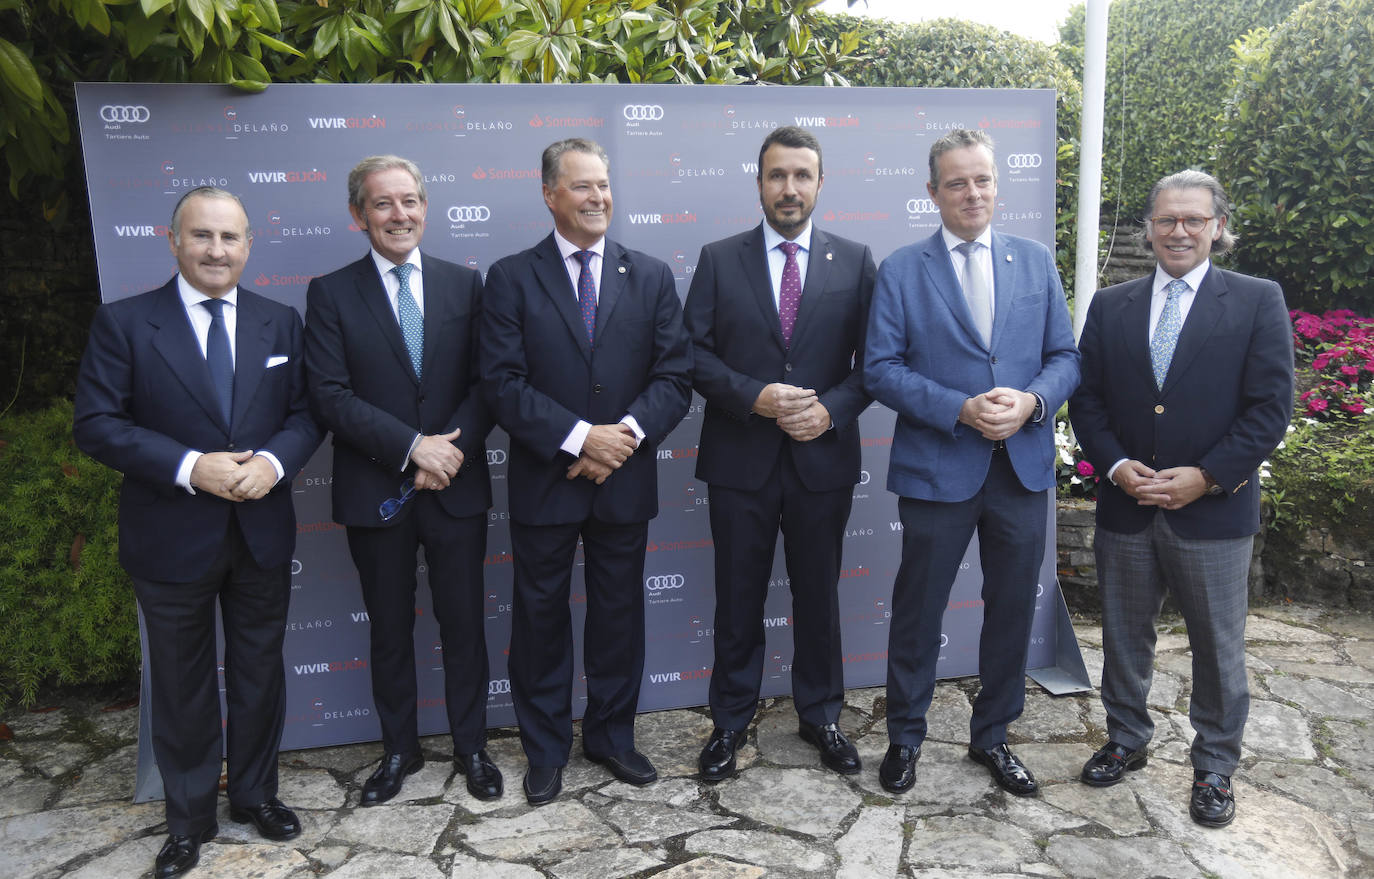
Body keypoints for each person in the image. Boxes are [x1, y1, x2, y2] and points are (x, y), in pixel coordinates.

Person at [73, 187, 322, 879]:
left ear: (248, 245)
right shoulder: (125, 323)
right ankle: (188, 820)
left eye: (231, 237)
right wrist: (191, 466)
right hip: (169, 534)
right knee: (181, 686)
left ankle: (255, 794)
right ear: (173, 240)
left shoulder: (281, 322)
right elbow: (96, 423)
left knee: (258, 673)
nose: (217, 250)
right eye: (203, 236)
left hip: (261, 529)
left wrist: (272, 463)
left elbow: (306, 413)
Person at [1069, 170, 1293, 827]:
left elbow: (1270, 408)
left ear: (1218, 226)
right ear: (1148, 227)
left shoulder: (1256, 300)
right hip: (1127, 507)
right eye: (1167, 219)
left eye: (1194, 219)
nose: (1179, 230)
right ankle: (1126, 737)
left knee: (1218, 648)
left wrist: (1208, 475)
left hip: (1213, 512)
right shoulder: (1112, 306)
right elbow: (1088, 399)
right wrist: (1111, 466)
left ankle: (1216, 764)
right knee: (1123, 635)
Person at [864, 128, 1080, 797]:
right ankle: (905, 736)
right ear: (932, 192)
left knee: (1012, 608)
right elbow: (879, 369)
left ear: (997, 184)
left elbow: (1065, 358)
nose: (972, 192)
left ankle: (993, 736)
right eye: (956, 182)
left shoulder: (1035, 261)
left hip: (1020, 469)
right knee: (919, 611)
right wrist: (960, 407)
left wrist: (1032, 402)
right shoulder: (902, 268)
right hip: (938, 468)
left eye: (982, 179)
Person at [480, 138, 692, 805]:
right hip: (549, 481)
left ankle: (610, 735)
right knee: (539, 620)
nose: (597, 197)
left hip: (623, 479)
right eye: (581, 187)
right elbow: (501, 383)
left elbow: (675, 376)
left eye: (603, 185)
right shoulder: (512, 277)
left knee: (619, 616)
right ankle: (544, 749)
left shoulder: (651, 274)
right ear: (549, 194)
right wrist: (578, 440)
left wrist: (621, 438)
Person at [303, 156, 499, 804]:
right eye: (384, 204)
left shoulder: (465, 286)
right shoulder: (330, 293)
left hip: (455, 486)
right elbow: (329, 394)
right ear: (359, 214)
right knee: (387, 627)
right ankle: (398, 750)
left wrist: (448, 453)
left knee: (464, 623)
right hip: (376, 488)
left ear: (425, 207)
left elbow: (487, 384)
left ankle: (473, 745)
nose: (400, 214)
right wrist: (413, 447)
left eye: (410, 200)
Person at [683, 126, 876, 781]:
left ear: (820, 183)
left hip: (822, 460)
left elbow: (874, 363)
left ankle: (821, 714)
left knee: (819, 596)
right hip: (740, 460)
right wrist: (754, 396)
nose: (789, 188)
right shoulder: (718, 258)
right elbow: (692, 355)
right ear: (759, 182)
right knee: (737, 599)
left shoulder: (855, 260)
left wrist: (831, 409)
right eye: (776, 175)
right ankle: (730, 721)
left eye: (801, 175)